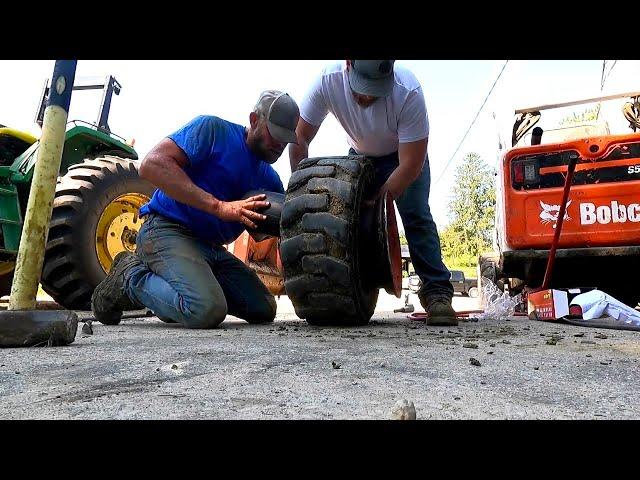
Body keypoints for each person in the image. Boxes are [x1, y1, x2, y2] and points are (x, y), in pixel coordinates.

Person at [91, 90, 300, 328]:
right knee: (206, 309)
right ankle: (129, 276)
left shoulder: (269, 178)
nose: (280, 145)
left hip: (210, 249)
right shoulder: (213, 131)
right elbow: (151, 165)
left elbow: (268, 230)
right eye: (274, 134)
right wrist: (219, 207)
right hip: (166, 230)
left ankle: (181, 292)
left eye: (286, 139)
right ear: (254, 120)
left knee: (263, 308)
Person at [289, 60, 457, 326]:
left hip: (402, 158)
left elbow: (412, 163)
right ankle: (350, 283)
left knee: (416, 216)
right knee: (346, 221)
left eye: (375, 89)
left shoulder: (408, 91)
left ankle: (437, 292)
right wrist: (299, 193)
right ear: (348, 64)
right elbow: (300, 138)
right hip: (359, 157)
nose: (367, 96)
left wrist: (380, 203)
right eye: (361, 87)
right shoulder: (327, 81)